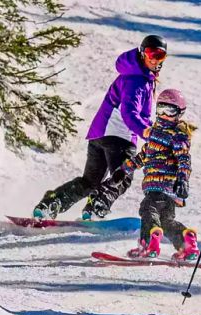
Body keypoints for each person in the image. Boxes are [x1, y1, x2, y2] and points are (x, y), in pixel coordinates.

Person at [32, 35, 168, 220]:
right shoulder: (138, 80)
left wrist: (154, 130)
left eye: (160, 55)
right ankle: (98, 204)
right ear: (142, 53)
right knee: (123, 176)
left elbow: (139, 115)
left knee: (89, 181)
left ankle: (52, 202)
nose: (155, 59)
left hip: (100, 134)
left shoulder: (135, 75)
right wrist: (146, 132)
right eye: (152, 53)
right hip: (118, 137)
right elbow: (129, 112)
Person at [103, 88, 199, 260]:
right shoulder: (154, 133)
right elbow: (142, 157)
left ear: (179, 113)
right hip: (169, 192)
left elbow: (184, 159)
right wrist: (123, 171)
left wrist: (183, 180)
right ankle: (186, 241)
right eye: (161, 109)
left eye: (169, 111)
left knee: (148, 211)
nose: (163, 114)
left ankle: (147, 245)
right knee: (166, 222)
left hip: (160, 185)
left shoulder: (177, 135)